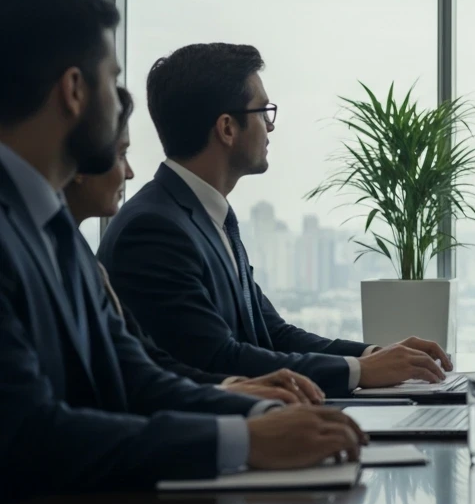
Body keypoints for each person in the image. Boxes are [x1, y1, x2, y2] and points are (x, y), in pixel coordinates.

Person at [0, 0, 364, 504]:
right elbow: (31, 436)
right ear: (75, 91)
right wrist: (241, 438)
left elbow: (134, 377)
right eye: (112, 78)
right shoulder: (38, 228)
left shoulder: (54, 227)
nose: (123, 100)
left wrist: (262, 414)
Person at [99, 42, 452, 398]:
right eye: (263, 111)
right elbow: (216, 359)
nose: (270, 127)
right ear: (227, 128)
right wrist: (360, 371)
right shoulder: (154, 230)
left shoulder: (206, 215)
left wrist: (373, 355)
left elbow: (272, 333)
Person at [67, 87, 322, 405]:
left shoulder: (213, 218)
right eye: (120, 154)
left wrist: (364, 361)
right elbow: (157, 372)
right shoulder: (152, 228)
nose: (130, 172)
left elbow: (143, 364)